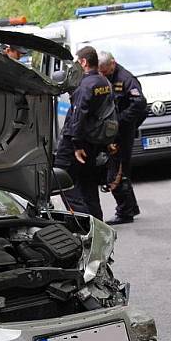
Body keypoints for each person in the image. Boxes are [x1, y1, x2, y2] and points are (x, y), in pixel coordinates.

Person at [55, 46, 113, 220]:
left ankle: (83, 221)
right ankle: (97, 223)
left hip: (76, 144)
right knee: (88, 184)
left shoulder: (85, 85)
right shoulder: (104, 82)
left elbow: (78, 115)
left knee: (61, 180)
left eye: (76, 63)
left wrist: (76, 144)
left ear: (83, 62)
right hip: (93, 141)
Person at [98, 51, 147, 225]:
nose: (103, 75)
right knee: (120, 169)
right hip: (112, 132)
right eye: (100, 72)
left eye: (105, 71)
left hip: (121, 133)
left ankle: (125, 212)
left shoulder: (126, 79)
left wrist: (121, 122)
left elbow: (140, 105)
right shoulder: (103, 77)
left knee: (116, 172)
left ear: (113, 63)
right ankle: (131, 207)